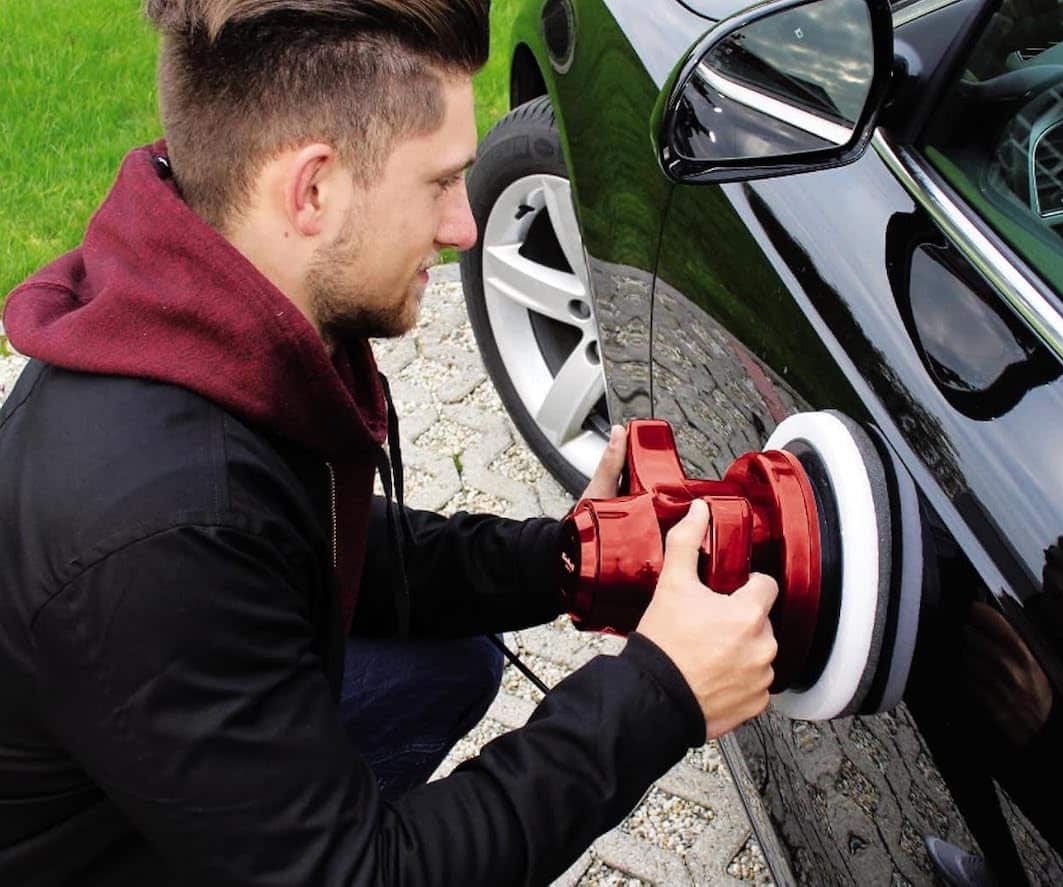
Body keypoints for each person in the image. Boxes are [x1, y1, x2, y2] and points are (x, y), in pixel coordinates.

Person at [0, 1, 779, 883]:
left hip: (141, 729)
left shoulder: (206, 301)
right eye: (441, 182)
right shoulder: (163, 532)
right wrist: (663, 692)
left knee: (452, 656)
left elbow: (331, 537)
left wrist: (569, 557)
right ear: (314, 190)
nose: (465, 227)